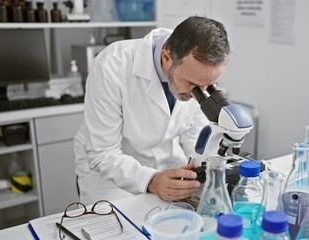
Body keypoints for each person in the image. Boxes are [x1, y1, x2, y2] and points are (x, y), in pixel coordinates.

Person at [74, 16, 231, 204]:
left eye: (209, 85)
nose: (198, 94)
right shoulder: (111, 65)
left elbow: (193, 136)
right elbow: (103, 153)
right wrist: (152, 181)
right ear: (166, 58)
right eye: (192, 84)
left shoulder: (198, 72)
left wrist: (211, 170)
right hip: (110, 174)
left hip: (168, 161)